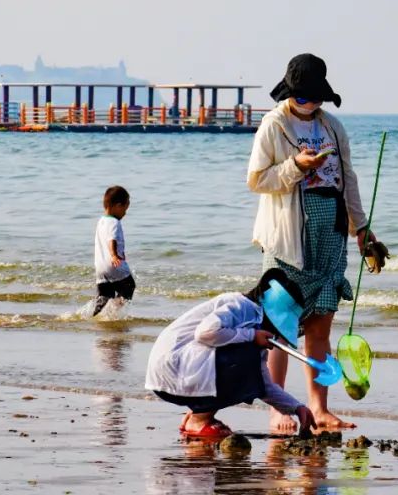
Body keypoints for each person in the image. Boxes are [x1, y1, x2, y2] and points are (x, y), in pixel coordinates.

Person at [247, 53, 379, 432]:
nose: (309, 104)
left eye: (315, 98)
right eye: (302, 98)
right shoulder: (274, 125)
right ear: (290, 94)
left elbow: (348, 178)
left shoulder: (332, 127)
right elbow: (256, 180)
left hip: (331, 234)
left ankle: (319, 409)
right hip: (288, 237)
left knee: (321, 324)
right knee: (280, 326)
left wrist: (362, 228)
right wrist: (296, 167)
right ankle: (279, 408)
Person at [145, 268, 316, 438]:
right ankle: (199, 420)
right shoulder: (241, 306)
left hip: (181, 372)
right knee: (247, 359)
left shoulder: (255, 331)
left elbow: (263, 385)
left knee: (251, 363)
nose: (276, 337)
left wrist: (297, 407)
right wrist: (251, 336)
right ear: (270, 318)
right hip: (171, 368)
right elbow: (205, 332)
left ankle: (199, 415)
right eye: (277, 330)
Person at [90, 185, 136, 317]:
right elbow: (112, 240)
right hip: (113, 265)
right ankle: (113, 312)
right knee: (129, 286)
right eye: (125, 209)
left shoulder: (101, 221)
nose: (125, 213)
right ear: (117, 205)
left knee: (104, 296)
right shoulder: (114, 223)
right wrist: (115, 255)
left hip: (100, 267)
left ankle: (95, 316)